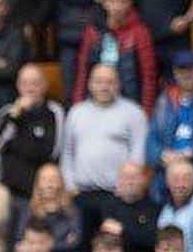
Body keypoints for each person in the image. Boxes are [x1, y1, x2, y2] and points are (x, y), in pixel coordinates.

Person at [61, 65, 148, 200]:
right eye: (98, 81)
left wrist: (129, 185)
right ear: (90, 84)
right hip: (81, 193)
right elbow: (67, 153)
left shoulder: (134, 113)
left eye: (110, 82)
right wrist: (70, 186)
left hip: (118, 194)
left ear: (118, 84)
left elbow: (139, 153)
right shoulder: (76, 112)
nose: (104, 87)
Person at [72, 0, 158, 115]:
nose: (117, 7)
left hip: (129, 101)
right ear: (104, 2)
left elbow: (148, 77)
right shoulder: (92, 31)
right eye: (112, 1)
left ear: (130, 3)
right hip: (95, 100)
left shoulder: (140, 33)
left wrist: (146, 112)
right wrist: (77, 105)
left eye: (122, 2)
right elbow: (83, 71)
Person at [0, 64, 65, 203]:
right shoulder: (7, 112)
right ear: (18, 86)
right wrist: (15, 117)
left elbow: (52, 152)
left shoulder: (54, 112)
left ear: (44, 85)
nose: (30, 88)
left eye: (35, 83)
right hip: (9, 190)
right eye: (24, 83)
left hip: (40, 193)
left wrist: (18, 146)